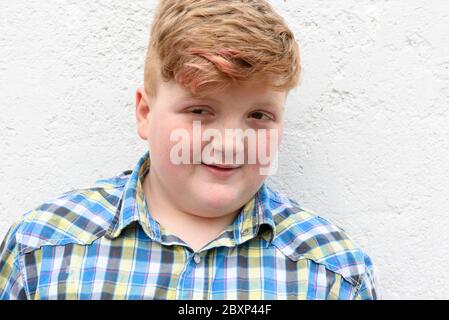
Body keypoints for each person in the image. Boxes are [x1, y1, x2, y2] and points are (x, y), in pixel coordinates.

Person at [0, 0, 377, 299]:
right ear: (146, 113)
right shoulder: (42, 250)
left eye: (259, 115)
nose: (231, 143)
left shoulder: (332, 273)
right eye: (200, 110)